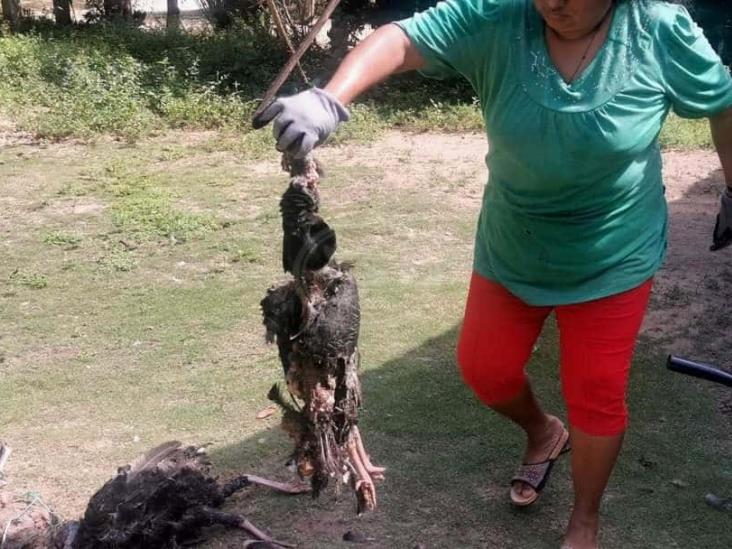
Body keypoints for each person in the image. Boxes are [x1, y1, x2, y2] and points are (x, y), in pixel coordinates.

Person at [254, 0, 732, 547]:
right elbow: (401, 39)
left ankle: (584, 521)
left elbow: (722, 98)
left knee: (596, 391)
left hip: (613, 254)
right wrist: (329, 97)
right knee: (486, 369)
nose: (553, 3)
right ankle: (543, 432)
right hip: (514, 245)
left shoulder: (657, 29)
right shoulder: (498, 16)